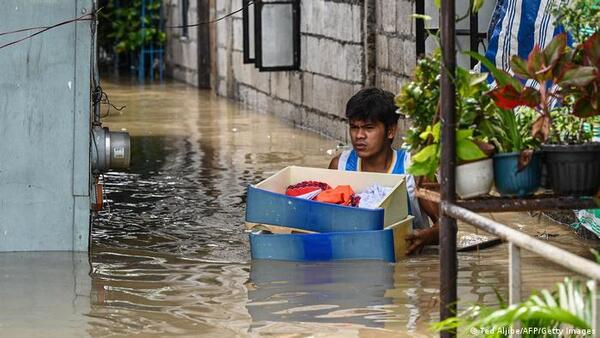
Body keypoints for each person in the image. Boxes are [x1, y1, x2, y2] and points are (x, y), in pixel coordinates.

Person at [328, 87, 439, 255]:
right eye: (354, 127)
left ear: (390, 131)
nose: (359, 135)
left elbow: (448, 224)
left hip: (408, 265)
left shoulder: (415, 170)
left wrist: (427, 236)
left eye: (368, 128)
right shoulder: (339, 166)